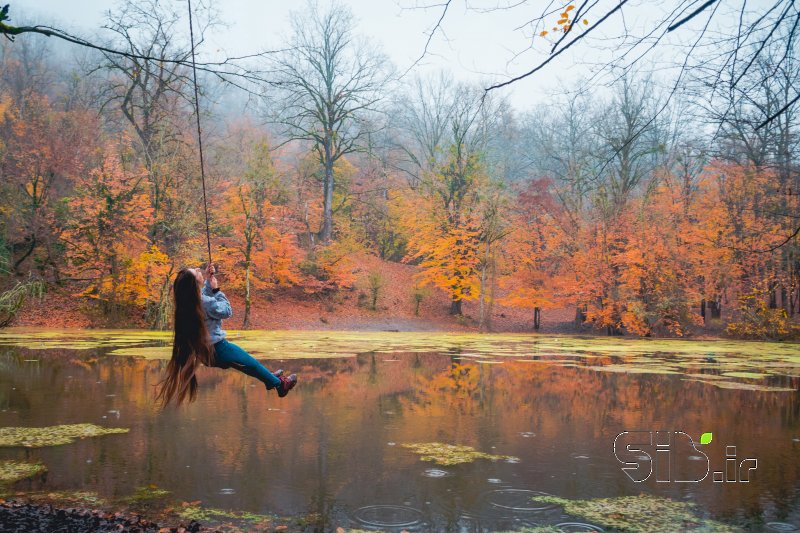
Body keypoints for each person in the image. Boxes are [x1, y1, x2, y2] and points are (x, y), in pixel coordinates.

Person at [156, 263, 297, 406]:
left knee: (246, 364)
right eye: (196, 272)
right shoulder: (204, 302)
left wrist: (207, 283)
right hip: (218, 349)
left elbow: (203, 297)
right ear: (193, 283)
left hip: (207, 353)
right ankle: (280, 386)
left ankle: (269, 379)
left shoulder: (189, 302)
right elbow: (227, 311)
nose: (199, 270)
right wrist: (216, 290)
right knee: (250, 363)